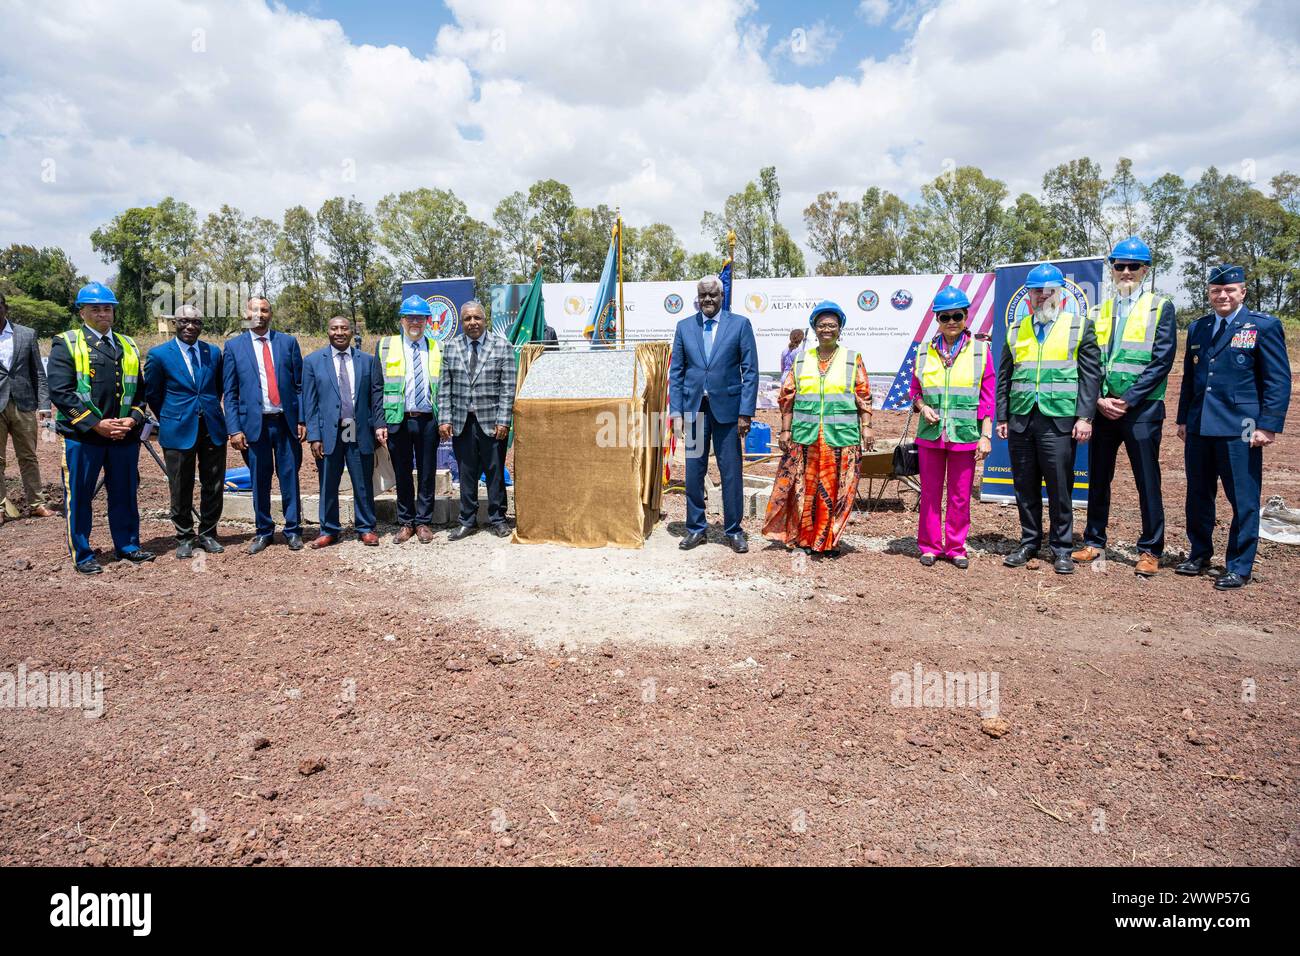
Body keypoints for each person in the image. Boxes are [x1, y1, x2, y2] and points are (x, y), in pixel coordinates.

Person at [1176, 264, 1291, 590]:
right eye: (1216, 291)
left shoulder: (1262, 327)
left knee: (1243, 499)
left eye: (1229, 290)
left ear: (1242, 292)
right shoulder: (1199, 328)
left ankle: (1239, 566)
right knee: (1198, 495)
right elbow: (1190, 379)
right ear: (1210, 293)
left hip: (1241, 428)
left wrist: (1267, 426)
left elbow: (1278, 380)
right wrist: (1184, 418)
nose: (1222, 295)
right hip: (1200, 426)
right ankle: (1199, 555)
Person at [1071, 237, 1176, 576]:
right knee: (1099, 479)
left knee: (1147, 480)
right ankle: (1094, 541)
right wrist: (1099, 399)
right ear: (1112, 269)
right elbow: (1089, 362)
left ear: (1145, 270)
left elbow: (1161, 362)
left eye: (1134, 266)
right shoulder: (1098, 311)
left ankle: (1150, 549)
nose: (1126, 272)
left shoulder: (1160, 307)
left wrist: (1127, 400)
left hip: (1141, 409)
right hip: (1103, 409)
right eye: (1120, 266)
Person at [996, 263, 1101, 574]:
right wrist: (1002, 415)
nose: (1042, 296)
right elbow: (1005, 376)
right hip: (1021, 419)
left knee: (1059, 487)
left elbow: (1091, 376)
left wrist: (1085, 416)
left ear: (1060, 294)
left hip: (1059, 420)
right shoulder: (1016, 330)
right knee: (1024, 485)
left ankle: (1062, 548)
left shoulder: (1078, 326)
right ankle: (1029, 541)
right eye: (1036, 292)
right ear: (1028, 296)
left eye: (1048, 291)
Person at [46, 282, 154, 573]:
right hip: (83, 436)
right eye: (96, 308)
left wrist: (133, 419)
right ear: (82, 312)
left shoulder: (127, 344)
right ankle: (83, 554)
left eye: (108, 308)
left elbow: (139, 391)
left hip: (123, 435)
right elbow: (61, 391)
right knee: (80, 495)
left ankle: (128, 545)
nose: (103, 313)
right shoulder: (66, 342)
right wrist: (96, 425)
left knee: (124, 492)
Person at [763, 301, 873, 555]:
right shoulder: (802, 360)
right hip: (806, 436)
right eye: (822, 325)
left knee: (836, 489)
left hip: (841, 438)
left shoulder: (851, 359)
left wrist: (866, 426)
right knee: (805, 488)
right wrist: (785, 430)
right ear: (814, 328)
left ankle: (827, 540)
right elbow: (787, 397)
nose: (827, 330)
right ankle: (804, 539)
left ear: (840, 328)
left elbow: (863, 394)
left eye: (832, 325)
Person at [669, 275, 759, 553]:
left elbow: (750, 371)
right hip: (694, 410)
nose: (708, 299)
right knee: (694, 471)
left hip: (729, 413)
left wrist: (745, 412)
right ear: (698, 298)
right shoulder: (684, 327)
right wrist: (676, 412)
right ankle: (696, 528)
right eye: (703, 295)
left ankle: (733, 530)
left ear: (722, 297)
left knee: (730, 472)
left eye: (713, 295)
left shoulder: (740, 325)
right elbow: (677, 373)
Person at [910, 287, 994, 569]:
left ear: (966, 316)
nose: (951, 322)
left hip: (965, 436)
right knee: (931, 494)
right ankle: (931, 546)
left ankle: (956, 547)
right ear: (937, 319)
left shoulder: (981, 351)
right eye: (945, 317)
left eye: (957, 315)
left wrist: (985, 435)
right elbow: (915, 392)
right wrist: (923, 408)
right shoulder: (923, 351)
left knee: (960, 496)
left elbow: (987, 396)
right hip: (930, 436)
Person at [142, 304, 227, 559]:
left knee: (213, 483)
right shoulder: (159, 355)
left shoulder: (213, 352)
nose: (190, 326)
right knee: (181, 484)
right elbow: (153, 394)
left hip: (211, 426)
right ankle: (185, 536)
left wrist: (207, 409)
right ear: (174, 323)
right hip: (178, 427)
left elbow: (217, 388)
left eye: (196, 322)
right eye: (184, 321)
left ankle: (209, 533)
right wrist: (171, 417)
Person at [223, 296, 306, 554]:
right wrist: (234, 429)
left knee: (289, 477)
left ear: (271, 314)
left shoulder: (288, 343)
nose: (260, 314)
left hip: (285, 423)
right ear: (246, 314)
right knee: (259, 480)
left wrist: (302, 419)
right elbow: (231, 391)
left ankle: (293, 530)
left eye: (265, 310)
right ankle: (263, 531)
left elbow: (300, 386)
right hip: (253, 426)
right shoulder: (234, 347)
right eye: (254, 310)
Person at [304, 316, 386, 548]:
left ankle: (366, 527)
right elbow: (309, 402)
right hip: (329, 430)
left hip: (357, 429)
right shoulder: (312, 361)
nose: (339, 332)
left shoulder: (368, 361)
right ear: (327, 331)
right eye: (334, 328)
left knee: (362, 480)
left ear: (352, 331)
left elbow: (376, 397)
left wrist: (378, 425)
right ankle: (329, 529)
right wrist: (314, 436)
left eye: (344, 328)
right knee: (328, 481)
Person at [438, 300, 516, 539]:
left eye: (477, 318)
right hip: (462, 421)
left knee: (494, 471)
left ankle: (498, 518)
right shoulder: (451, 348)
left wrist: (504, 420)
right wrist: (444, 418)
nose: (472, 323)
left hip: (493, 422)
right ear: (462, 323)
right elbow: (444, 387)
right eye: (467, 319)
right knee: (467, 472)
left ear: (485, 319)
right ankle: (467, 520)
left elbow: (508, 387)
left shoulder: (502, 346)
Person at [376, 295, 443, 543]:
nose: (415, 322)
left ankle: (423, 522)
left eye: (420, 318)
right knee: (402, 472)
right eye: (410, 317)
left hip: (428, 420)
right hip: (398, 420)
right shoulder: (385, 346)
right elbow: (377, 386)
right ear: (402, 320)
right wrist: (380, 422)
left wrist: (444, 418)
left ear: (427, 321)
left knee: (427, 472)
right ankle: (406, 522)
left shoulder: (437, 347)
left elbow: (443, 386)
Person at [0, 291, 57, 523]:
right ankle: (1, 507)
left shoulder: (26, 334)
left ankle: (36, 503)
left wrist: (44, 405)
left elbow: (38, 374)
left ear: (5, 307)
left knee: (29, 456)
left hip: (24, 405)